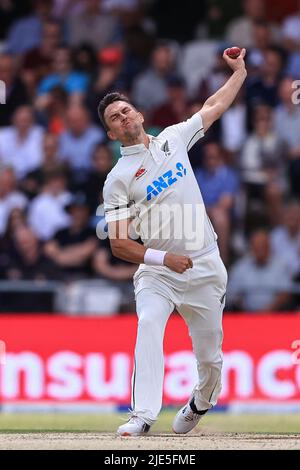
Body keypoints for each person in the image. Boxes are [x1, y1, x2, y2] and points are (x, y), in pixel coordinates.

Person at [99, 47, 247, 436]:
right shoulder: (118, 177)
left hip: (205, 266)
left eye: (126, 110)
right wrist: (165, 259)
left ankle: (201, 401)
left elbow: (213, 106)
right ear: (112, 133)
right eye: (115, 118)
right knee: (148, 323)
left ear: (140, 114)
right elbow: (119, 245)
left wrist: (240, 73)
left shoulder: (173, 138)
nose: (123, 117)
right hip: (158, 273)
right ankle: (142, 415)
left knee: (210, 357)